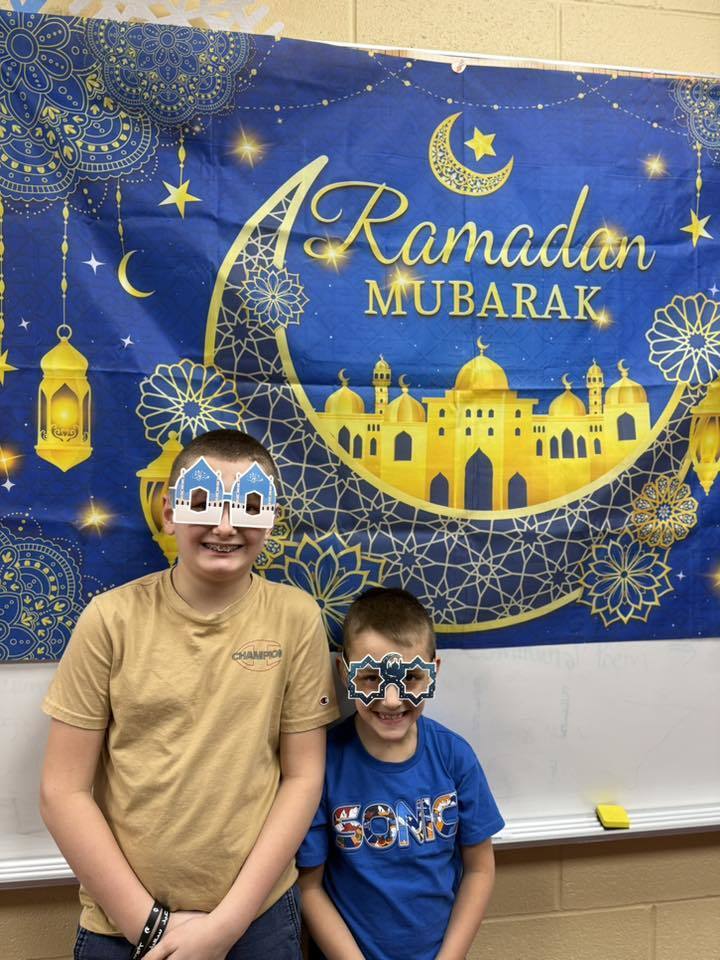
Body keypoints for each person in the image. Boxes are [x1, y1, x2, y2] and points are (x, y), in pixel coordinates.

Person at [40, 429, 339, 960]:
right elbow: (62, 791)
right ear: (169, 512)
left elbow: (303, 776)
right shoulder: (110, 620)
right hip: (121, 925)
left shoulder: (296, 618)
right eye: (203, 503)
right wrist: (150, 927)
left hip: (259, 919)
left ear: (270, 518)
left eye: (247, 507)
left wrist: (227, 924)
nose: (224, 526)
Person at [297, 587, 504, 960]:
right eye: (371, 678)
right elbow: (309, 887)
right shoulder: (321, 765)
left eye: (410, 678)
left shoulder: (454, 757)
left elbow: (480, 869)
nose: (391, 700)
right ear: (345, 673)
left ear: (433, 673)